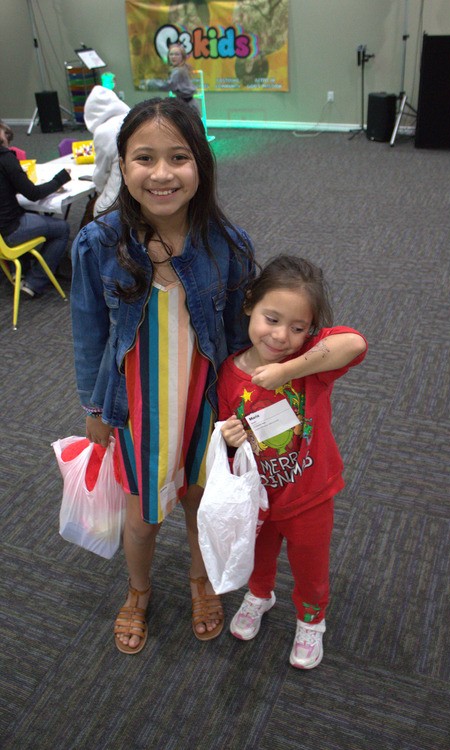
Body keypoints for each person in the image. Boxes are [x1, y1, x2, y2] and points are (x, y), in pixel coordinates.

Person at [70, 97, 255, 654]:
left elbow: (238, 340)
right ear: (122, 166)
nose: (161, 174)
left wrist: (243, 409)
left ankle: (201, 580)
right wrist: (94, 411)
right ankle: (139, 590)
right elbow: (88, 334)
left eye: (178, 157)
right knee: (143, 518)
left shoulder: (228, 244)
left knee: (201, 501)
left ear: (200, 163)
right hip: (137, 408)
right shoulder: (97, 244)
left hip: (205, 401)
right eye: (144, 158)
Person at [217, 255, 367, 670]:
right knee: (256, 557)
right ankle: (259, 596)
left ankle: (311, 620)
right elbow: (225, 431)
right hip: (259, 496)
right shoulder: (228, 373)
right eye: (272, 319)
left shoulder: (311, 366)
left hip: (309, 493)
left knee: (310, 565)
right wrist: (228, 437)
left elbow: (355, 343)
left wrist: (288, 370)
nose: (282, 336)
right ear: (250, 304)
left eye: (298, 328)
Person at [0, 121, 71, 297]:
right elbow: (33, 194)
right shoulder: (6, 158)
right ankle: (34, 282)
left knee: (31, 212)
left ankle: (22, 268)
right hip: (10, 230)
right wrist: (60, 179)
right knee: (62, 228)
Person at [83, 85, 130, 217]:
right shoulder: (134, 119)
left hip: (117, 202)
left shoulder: (104, 131)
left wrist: (99, 191)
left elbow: (101, 173)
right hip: (141, 195)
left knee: (92, 209)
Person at [163, 43, 198, 112]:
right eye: (171, 54)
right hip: (183, 103)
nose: (173, 57)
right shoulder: (179, 68)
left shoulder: (179, 71)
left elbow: (169, 85)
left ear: (182, 57)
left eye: (177, 54)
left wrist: (150, 84)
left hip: (187, 105)